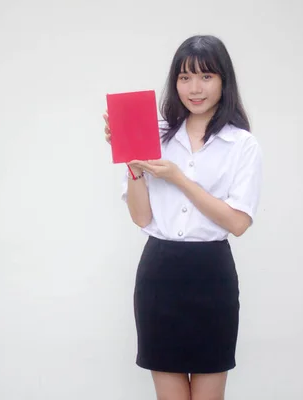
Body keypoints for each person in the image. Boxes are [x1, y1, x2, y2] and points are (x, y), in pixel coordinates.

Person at [103, 35, 262, 400]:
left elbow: (238, 223)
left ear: (224, 81)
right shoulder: (155, 134)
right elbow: (142, 217)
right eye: (185, 77)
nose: (194, 88)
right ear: (174, 82)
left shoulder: (242, 145)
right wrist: (132, 162)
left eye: (206, 77)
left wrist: (178, 178)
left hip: (211, 275)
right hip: (160, 274)